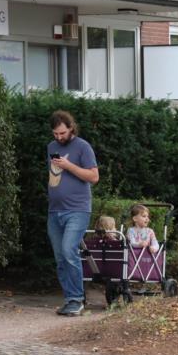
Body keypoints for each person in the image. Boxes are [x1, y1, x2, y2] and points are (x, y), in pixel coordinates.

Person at [47, 110, 99, 316]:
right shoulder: (51, 147)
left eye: (62, 133)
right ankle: (70, 299)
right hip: (54, 210)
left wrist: (68, 165)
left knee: (69, 251)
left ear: (71, 128)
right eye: (55, 134)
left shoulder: (83, 147)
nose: (59, 137)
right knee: (60, 257)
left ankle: (77, 299)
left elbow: (94, 177)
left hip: (77, 209)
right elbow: (53, 175)